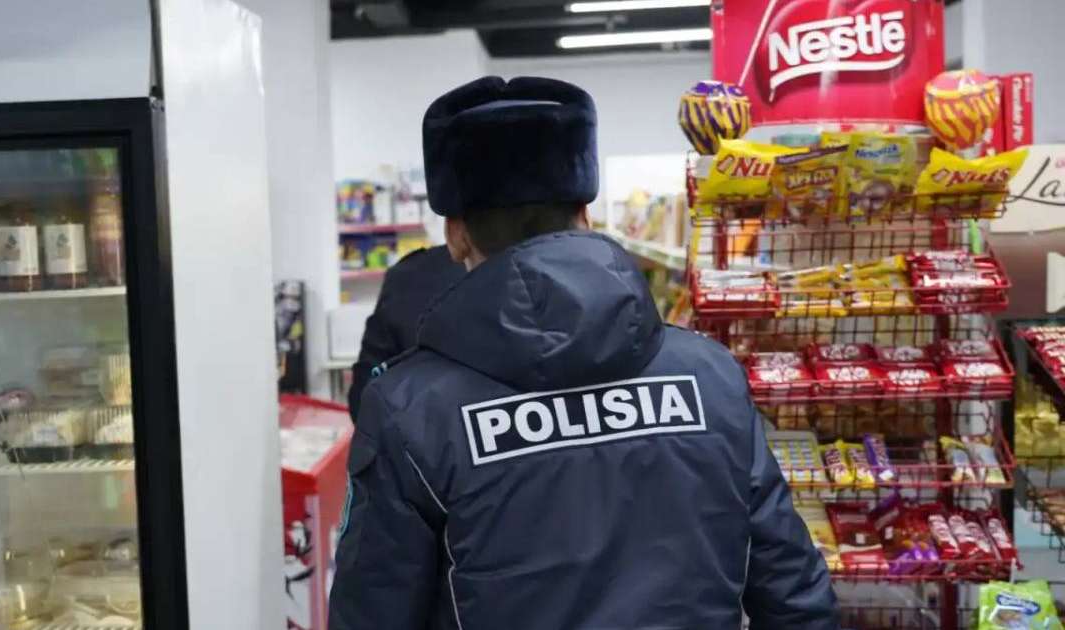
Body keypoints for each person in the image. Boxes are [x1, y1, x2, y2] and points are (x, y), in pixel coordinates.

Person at [328, 76, 837, 630]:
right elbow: (794, 597)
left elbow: (371, 612)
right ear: (586, 216)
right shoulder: (710, 378)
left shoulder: (409, 411)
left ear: (455, 235)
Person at [347, 244, 465, 421]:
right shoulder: (507, 276)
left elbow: (364, 399)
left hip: (420, 429)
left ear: (453, 231)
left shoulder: (411, 274)